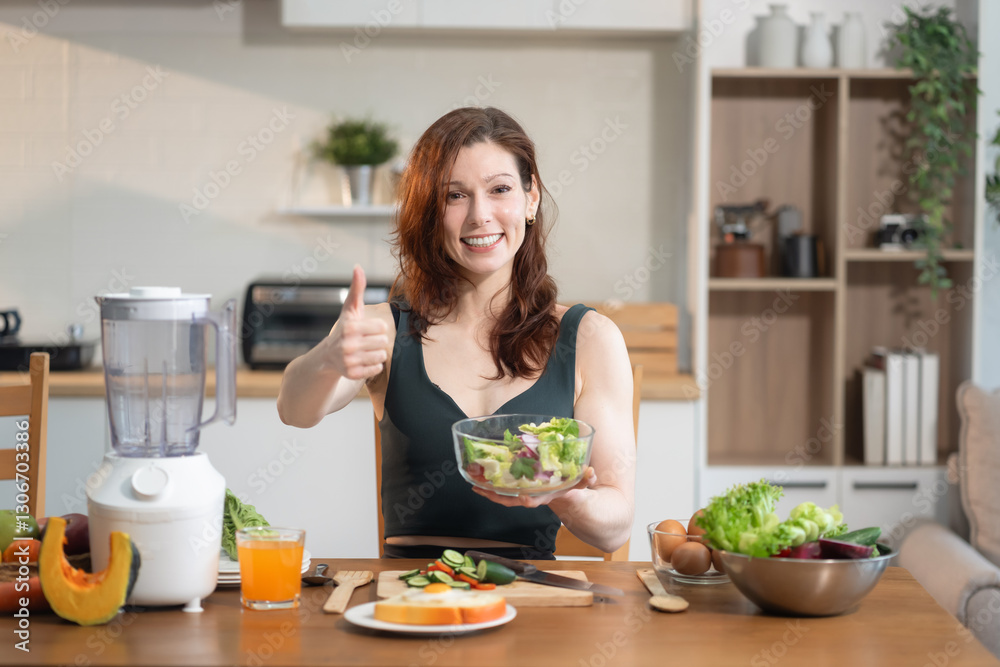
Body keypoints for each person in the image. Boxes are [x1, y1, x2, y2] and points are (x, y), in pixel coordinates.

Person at [277, 107, 635, 559]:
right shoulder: (384, 329)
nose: (479, 216)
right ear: (430, 212)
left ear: (531, 199)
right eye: (454, 196)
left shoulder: (590, 339)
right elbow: (294, 410)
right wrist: (329, 356)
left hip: (533, 601)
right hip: (410, 600)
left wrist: (560, 493)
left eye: (500, 189)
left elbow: (615, 527)